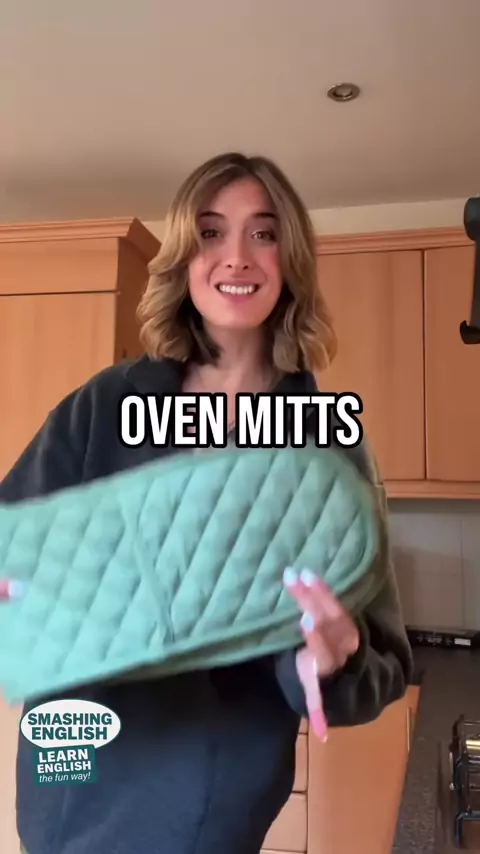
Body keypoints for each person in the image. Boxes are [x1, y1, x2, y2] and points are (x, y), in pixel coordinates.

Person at [0, 152, 413, 854]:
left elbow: (383, 662)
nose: (237, 257)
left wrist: (334, 661)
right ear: (185, 259)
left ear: (290, 259)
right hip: (72, 788)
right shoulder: (104, 406)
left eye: (264, 233)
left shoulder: (329, 449)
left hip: (215, 809)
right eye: (212, 232)